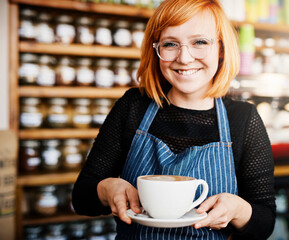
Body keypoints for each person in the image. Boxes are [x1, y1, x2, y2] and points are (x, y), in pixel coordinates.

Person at [72, 0, 276, 239]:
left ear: (221, 49)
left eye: (200, 42)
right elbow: (81, 198)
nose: (185, 58)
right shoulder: (133, 106)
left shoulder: (242, 118)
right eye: (170, 44)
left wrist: (239, 210)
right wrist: (105, 189)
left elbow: (265, 223)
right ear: (156, 50)